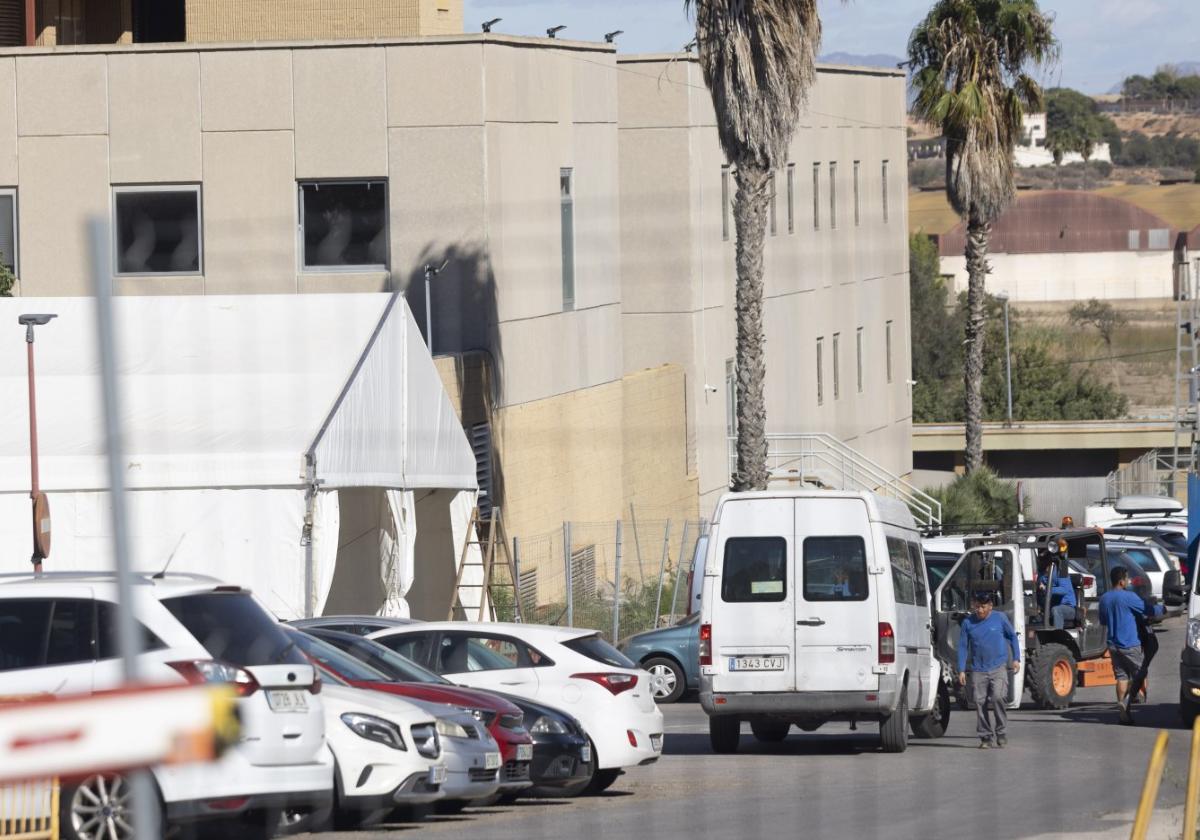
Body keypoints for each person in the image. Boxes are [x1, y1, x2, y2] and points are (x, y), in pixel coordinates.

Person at [957, 591, 1021, 749]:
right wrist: (961, 669)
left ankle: (1001, 732)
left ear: (990, 606)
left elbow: (1012, 637)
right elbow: (963, 647)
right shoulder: (968, 623)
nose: (979, 610)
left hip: (998, 666)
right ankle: (985, 736)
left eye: (983, 607)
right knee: (979, 702)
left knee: (998, 697)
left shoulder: (1000, 618)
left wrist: (1016, 658)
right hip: (978, 669)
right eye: (977, 606)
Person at [1098, 566, 1146, 725]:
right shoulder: (1129, 597)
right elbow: (1147, 610)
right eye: (1127, 578)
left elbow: (1103, 620)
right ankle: (1127, 701)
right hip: (1130, 644)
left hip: (1113, 645)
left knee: (1121, 677)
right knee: (1140, 673)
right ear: (1121, 581)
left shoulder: (1104, 598)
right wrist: (1163, 608)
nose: (1128, 581)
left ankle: (1122, 712)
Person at [1036, 555, 1077, 630]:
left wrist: (1047, 589)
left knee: (1056, 610)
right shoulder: (1041, 575)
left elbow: (1064, 590)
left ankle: (1057, 635)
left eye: (1043, 562)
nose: (1040, 564)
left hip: (1067, 607)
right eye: (1040, 562)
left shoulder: (1061, 572)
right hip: (1049, 607)